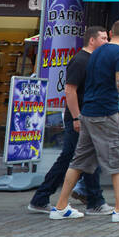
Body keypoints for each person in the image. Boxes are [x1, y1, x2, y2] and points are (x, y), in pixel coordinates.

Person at [49, 20, 119, 223]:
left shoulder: (97, 52)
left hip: (88, 112)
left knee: (79, 161)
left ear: (110, 33)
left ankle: (60, 206)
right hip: (106, 112)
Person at [30, 27, 109, 214]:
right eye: (103, 38)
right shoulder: (80, 60)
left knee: (87, 159)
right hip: (79, 118)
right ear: (92, 40)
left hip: (87, 117)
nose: (106, 41)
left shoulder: (92, 60)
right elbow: (69, 90)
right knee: (71, 158)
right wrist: (76, 117)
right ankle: (42, 198)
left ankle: (94, 201)